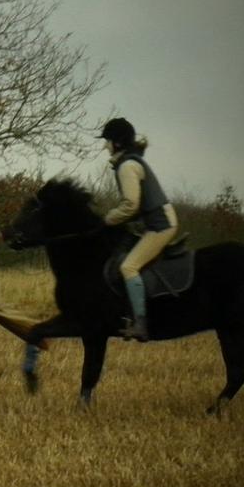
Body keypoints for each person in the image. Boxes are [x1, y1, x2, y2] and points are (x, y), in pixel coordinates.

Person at [99, 117, 179, 342]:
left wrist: (107, 219)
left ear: (117, 142)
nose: (105, 146)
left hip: (160, 225)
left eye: (107, 141)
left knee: (129, 267)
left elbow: (130, 205)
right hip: (157, 222)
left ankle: (141, 324)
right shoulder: (130, 162)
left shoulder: (127, 166)